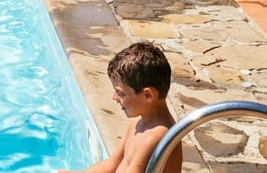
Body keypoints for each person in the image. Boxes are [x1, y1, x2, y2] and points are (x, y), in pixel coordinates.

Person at [58, 42, 180, 173]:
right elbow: (112, 164)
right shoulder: (136, 124)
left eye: (121, 93)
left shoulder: (155, 137)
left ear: (148, 95)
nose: (114, 97)